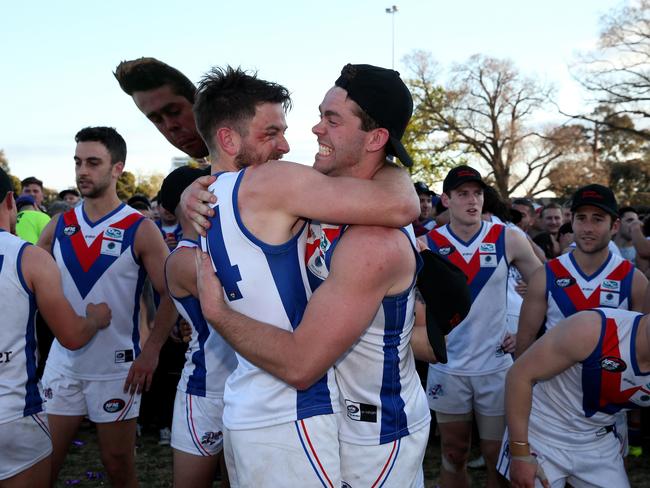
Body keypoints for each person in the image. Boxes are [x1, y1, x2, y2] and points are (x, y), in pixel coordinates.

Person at [182, 64, 424, 486]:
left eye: (332, 120)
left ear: (375, 138)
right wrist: (200, 187)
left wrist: (218, 313)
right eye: (319, 115)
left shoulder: (375, 239)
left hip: (375, 434)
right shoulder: (309, 200)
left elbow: (301, 363)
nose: (313, 130)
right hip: (315, 420)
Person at [36, 126, 177, 486]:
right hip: (63, 366)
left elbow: (171, 292)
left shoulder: (140, 228)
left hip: (117, 370)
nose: (82, 171)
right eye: (78, 162)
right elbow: (26, 287)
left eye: (93, 162)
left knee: (118, 467)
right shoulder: (57, 226)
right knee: (44, 462)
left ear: (118, 168)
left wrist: (152, 351)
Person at [423, 165, 542, 488]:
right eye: (463, 194)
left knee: (494, 454)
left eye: (477, 193)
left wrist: (522, 335)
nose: (473, 200)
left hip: (495, 368)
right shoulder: (426, 244)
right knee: (454, 452)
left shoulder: (508, 238)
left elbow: (546, 288)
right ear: (446, 199)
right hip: (449, 368)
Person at [0, 168, 112, 487]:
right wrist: (95, 318)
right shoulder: (28, 258)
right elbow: (73, 336)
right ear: (11, 201)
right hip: (13, 413)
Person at [499, 307, 650, 488]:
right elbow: (519, 375)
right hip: (542, 432)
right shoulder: (593, 328)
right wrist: (520, 452)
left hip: (597, 439)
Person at [158, 166, 237, 487]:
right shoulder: (182, 258)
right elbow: (245, 307)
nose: (207, 194)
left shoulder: (222, 246)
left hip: (245, 387)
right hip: (205, 391)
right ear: (172, 207)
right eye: (197, 188)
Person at [515, 184, 648, 358]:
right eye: (581, 218)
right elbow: (525, 341)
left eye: (597, 219)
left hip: (608, 384)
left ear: (614, 226)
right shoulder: (546, 275)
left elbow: (641, 350)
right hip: (551, 384)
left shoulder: (635, 281)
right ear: (572, 222)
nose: (587, 228)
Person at [114, 57, 208, 159]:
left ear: (200, 103)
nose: (170, 126)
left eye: (174, 112)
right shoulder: (182, 175)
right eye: (156, 120)